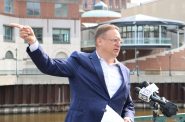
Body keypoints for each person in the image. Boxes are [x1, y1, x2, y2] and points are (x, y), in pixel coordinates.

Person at [10, 23, 135, 122]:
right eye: (114, 40)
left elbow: (128, 104)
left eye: (120, 41)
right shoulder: (80, 60)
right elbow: (49, 65)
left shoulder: (125, 71)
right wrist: (32, 41)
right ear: (99, 41)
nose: (118, 44)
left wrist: (128, 117)